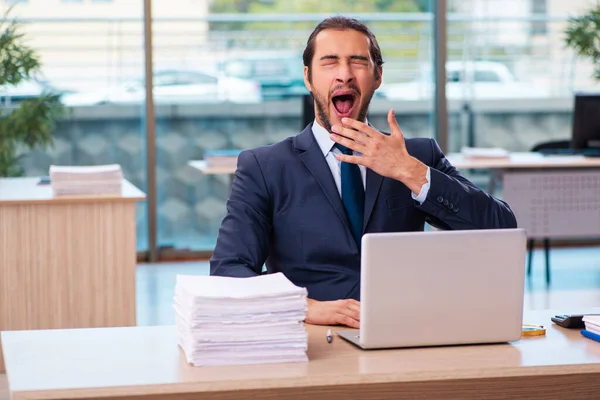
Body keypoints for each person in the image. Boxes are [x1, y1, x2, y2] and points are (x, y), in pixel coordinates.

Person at [210, 16, 517, 329]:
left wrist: (411, 172)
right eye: (330, 62)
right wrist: (303, 307)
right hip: (312, 339)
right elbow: (228, 270)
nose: (344, 75)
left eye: (358, 61)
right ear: (308, 77)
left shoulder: (417, 156)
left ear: (378, 75)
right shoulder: (264, 167)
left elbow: (501, 229)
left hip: (403, 332)